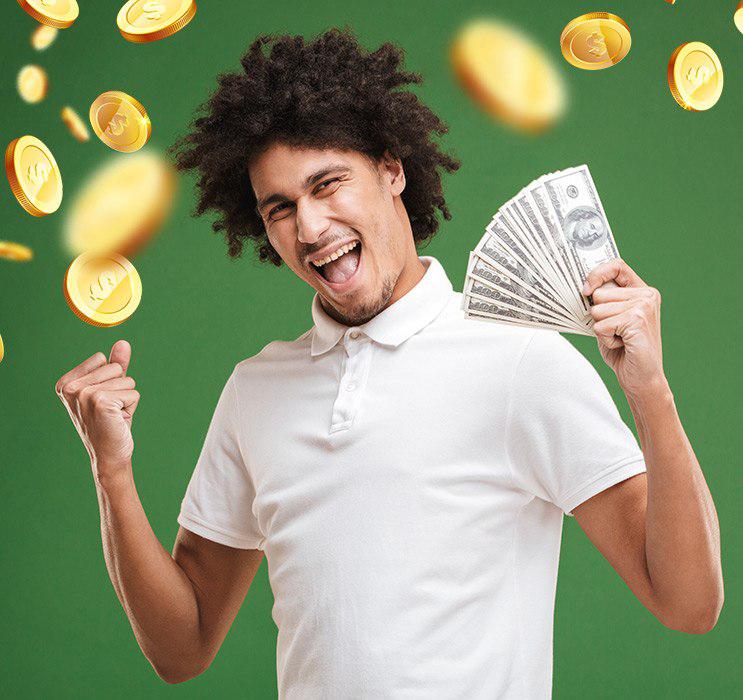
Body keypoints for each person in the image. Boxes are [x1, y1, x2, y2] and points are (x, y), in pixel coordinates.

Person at [55, 27, 723, 698]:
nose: (310, 228)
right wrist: (110, 470)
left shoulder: (521, 360)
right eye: (280, 208)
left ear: (391, 169)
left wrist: (650, 392)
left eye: (327, 185)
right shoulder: (255, 390)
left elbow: (688, 603)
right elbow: (182, 647)